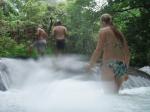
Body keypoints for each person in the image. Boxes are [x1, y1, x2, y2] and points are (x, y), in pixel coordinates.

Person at [86, 13, 130, 92]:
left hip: (109, 63)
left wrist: (91, 64)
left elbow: (98, 50)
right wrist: (125, 70)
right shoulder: (119, 33)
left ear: (103, 22)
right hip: (121, 65)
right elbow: (127, 52)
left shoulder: (103, 31)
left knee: (108, 95)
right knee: (115, 95)